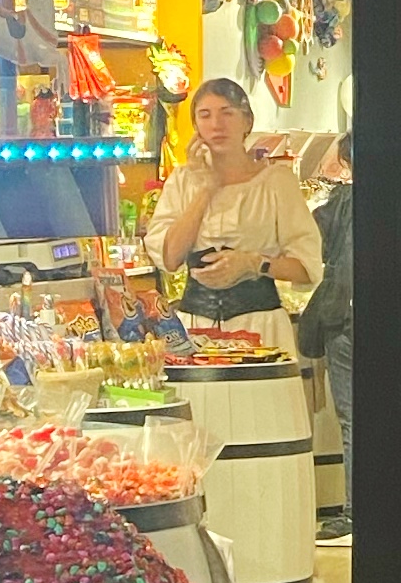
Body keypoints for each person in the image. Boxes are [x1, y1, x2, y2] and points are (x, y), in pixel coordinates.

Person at [142, 74, 322, 329]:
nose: (217, 125)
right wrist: (206, 189)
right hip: (196, 325)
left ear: (247, 121)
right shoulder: (182, 181)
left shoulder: (276, 182)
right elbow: (170, 259)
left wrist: (254, 263)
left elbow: (306, 268)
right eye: (205, 115)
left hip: (260, 323)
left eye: (227, 113)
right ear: (196, 126)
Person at [296, 133, 354, 543]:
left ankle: (354, 512)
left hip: (344, 319)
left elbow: (305, 244)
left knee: (353, 419)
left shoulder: (338, 203)